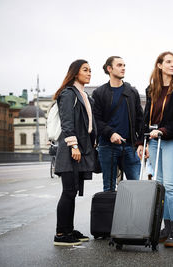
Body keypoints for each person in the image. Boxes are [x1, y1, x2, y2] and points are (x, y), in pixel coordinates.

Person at [137, 51, 173, 248]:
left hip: (170, 140)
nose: (172, 65)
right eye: (168, 62)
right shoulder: (151, 89)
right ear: (159, 65)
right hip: (153, 141)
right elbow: (146, 118)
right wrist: (140, 142)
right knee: (160, 184)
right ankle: (166, 228)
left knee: (171, 185)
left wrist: (163, 130)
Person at [53, 59, 97, 246]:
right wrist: (73, 145)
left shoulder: (84, 95)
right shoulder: (68, 93)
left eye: (90, 70)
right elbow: (67, 121)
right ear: (75, 72)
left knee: (72, 191)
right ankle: (61, 234)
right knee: (68, 191)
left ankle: (68, 229)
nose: (89, 73)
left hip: (81, 148)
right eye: (85, 70)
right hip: (71, 149)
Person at [93, 56, 143, 191]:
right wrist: (111, 133)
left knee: (135, 188)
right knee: (108, 189)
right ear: (109, 69)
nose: (123, 68)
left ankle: (133, 213)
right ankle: (110, 212)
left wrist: (141, 142)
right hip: (107, 146)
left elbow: (140, 119)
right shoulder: (99, 93)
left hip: (130, 146)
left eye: (124, 65)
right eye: (119, 65)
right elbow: (96, 120)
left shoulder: (132, 92)